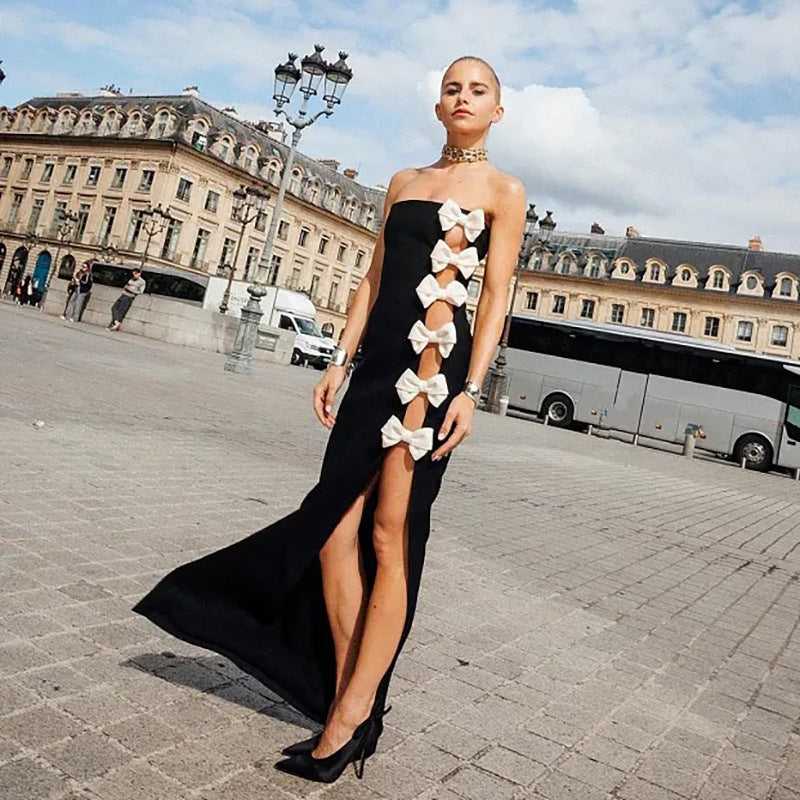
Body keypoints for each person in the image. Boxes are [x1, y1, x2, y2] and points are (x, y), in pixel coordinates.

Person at [133, 55, 526, 784]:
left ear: (497, 111)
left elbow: (497, 292)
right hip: (374, 370)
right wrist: (339, 359)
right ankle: (355, 694)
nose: (462, 97)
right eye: (451, 88)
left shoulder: (505, 191)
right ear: (437, 105)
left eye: (477, 90)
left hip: (431, 375)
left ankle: (346, 720)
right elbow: (374, 277)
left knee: (390, 533)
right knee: (332, 530)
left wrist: (471, 388)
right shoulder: (405, 183)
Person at [108, 266, 145, 331]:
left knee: (121, 311)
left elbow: (140, 292)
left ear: (139, 273)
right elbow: (127, 284)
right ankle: (116, 322)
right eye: (133, 274)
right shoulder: (131, 279)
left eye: (136, 274)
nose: (134, 275)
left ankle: (114, 324)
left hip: (129, 296)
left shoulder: (142, 282)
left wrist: (132, 290)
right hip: (124, 294)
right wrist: (126, 287)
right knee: (114, 308)